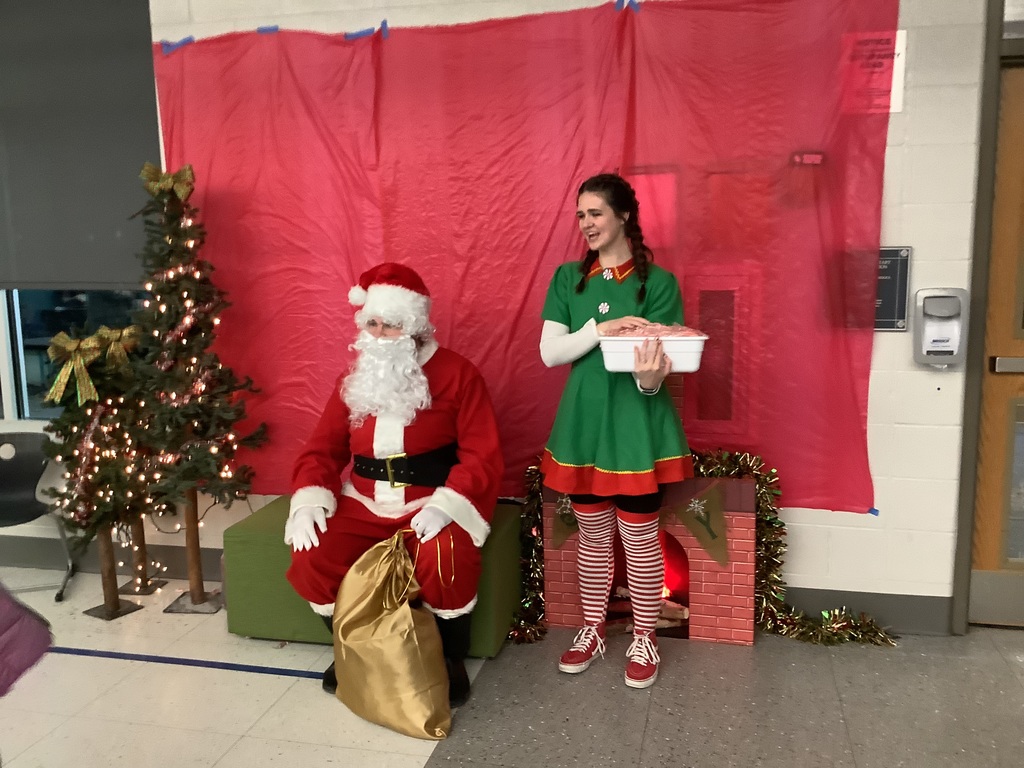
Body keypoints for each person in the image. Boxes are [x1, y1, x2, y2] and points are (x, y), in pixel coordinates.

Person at [284, 262, 503, 707]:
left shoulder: (458, 374)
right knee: (313, 555)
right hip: (363, 501)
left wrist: (447, 506)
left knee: (445, 557)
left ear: (415, 325)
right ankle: (352, 647)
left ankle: (448, 656)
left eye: (392, 324)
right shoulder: (353, 379)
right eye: (373, 324)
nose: (381, 334)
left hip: (429, 500)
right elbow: (322, 449)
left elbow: (482, 453)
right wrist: (308, 500)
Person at [539, 172, 693, 689]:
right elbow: (550, 353)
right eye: (580, 215)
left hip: (637, 427)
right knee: (592, 537)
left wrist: (650, 381)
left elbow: (660, 367)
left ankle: (645, 636)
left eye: (595, 213)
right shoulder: (568, 279)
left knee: (640, 537)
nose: (586, 223)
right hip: (583, 425)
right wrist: (600, 329)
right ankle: (593, 629)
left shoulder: (659, 284)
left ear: (623, 215)